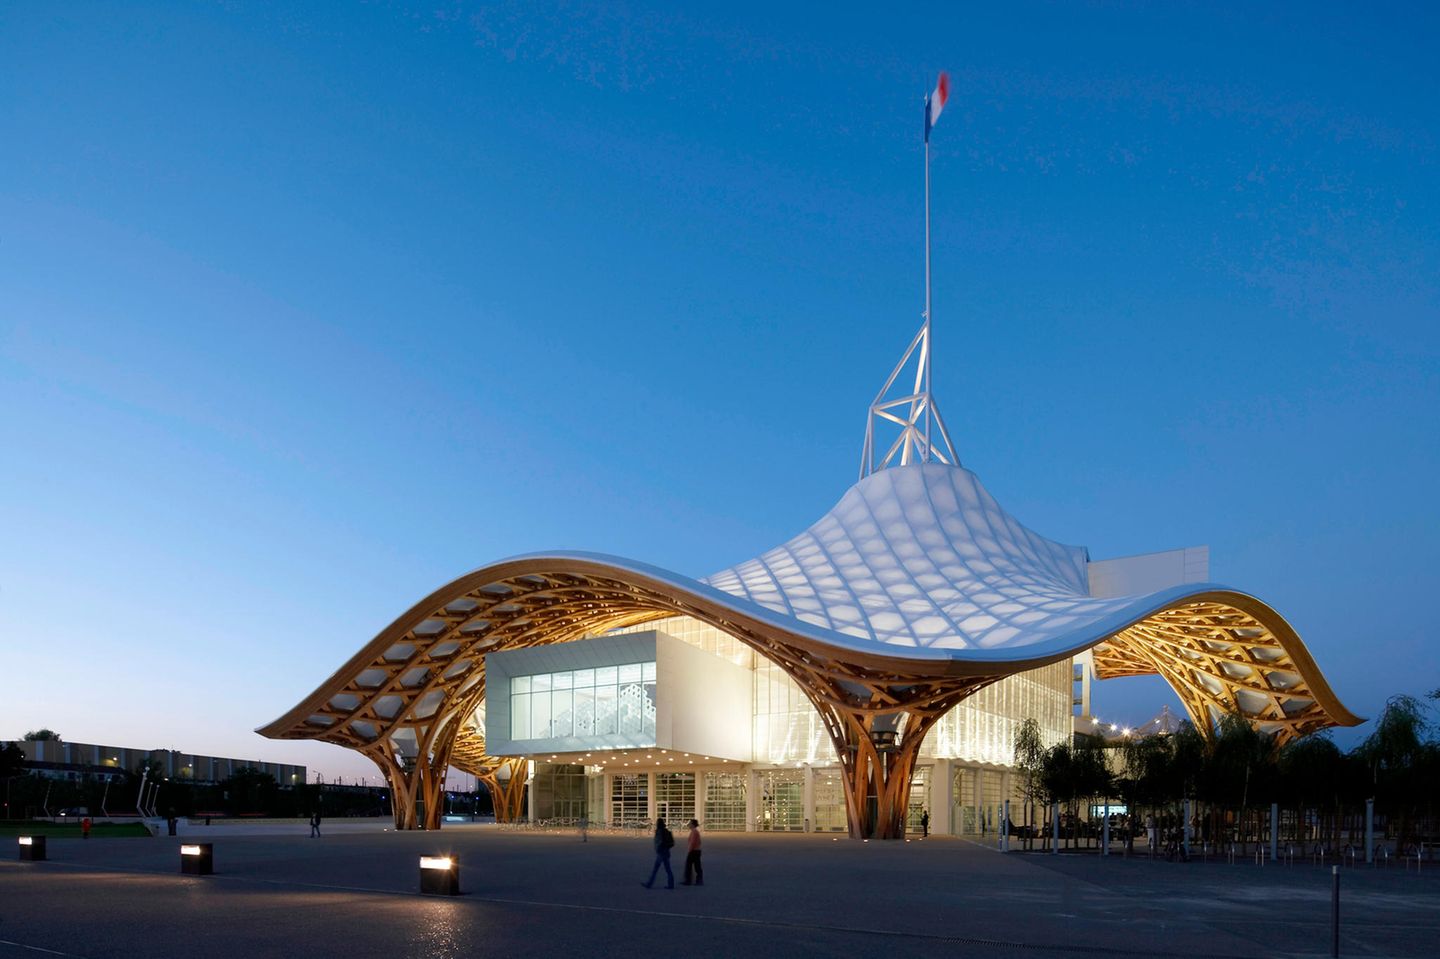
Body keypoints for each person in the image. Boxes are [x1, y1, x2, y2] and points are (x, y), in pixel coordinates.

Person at [641, 817, 675, 889]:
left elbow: (658, 841)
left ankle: (649, 883)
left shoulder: (659, 831)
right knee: (668, 869)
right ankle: (671, 884)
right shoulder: (665, 830)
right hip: (666, 851)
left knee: (656, 869)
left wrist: (657, 849)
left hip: (661, 852)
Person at [681, 818, 703, 886]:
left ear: (693, 824)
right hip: (696, 850)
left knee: (690, 866)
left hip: (694, 851)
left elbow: (692, 842)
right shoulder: (695, 831)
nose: (689, 824)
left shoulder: (694, 832)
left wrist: (690, 850)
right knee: (696, 866)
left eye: (690, 823)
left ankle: (689, 881)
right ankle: (697, 880)